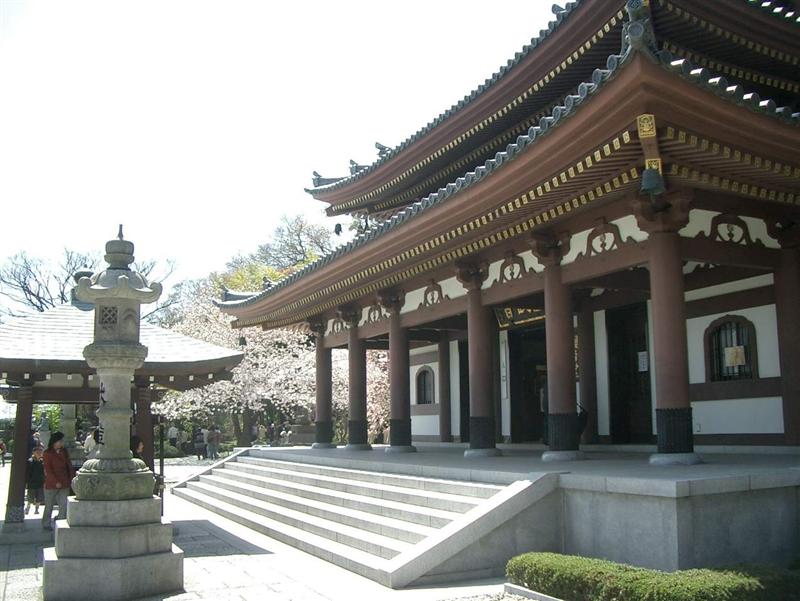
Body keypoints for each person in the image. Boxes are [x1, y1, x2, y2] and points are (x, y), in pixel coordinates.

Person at [42, 432, 74, 530]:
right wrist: (56, 481)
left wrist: (71, 478)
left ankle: (61, 521)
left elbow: (69, 465)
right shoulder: (47, 453)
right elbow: (48, 469)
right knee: (49, 505)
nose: (61, 443)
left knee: (63, 505)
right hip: (51, 483)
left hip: (64, 481)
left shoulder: (64, 452)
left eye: (62, 441)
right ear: (54, 442)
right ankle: (46, 523)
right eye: (59, 441)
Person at [25, 447, 45, 514]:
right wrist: (27, 482)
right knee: (30, 497)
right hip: (32, 483)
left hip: (40, 482)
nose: (39, 454)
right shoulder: (30, 461)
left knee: (39, 497)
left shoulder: (42, 462)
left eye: (40, 452)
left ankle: (37, 509)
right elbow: (27, 473)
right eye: (37, 452)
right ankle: (28, 508)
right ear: (33, 453)